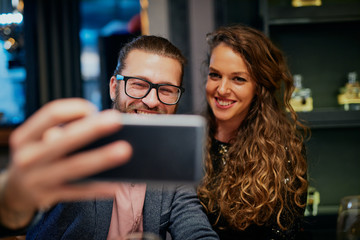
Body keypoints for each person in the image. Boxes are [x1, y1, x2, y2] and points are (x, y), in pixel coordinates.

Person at [1, 35, 218, 240]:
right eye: (139, 85)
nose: (152, 100)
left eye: (167, 90)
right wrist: (12, 202)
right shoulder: (77, 145)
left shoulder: (171, 162)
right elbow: (23, 213)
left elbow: (194, 226)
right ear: (115, 87)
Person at [197, 25, 309, 240]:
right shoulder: (190, 139)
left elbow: (284, 235)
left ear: (259, 86)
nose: (221, 89)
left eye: (238, 78)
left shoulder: (283, 150)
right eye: (215, 75)